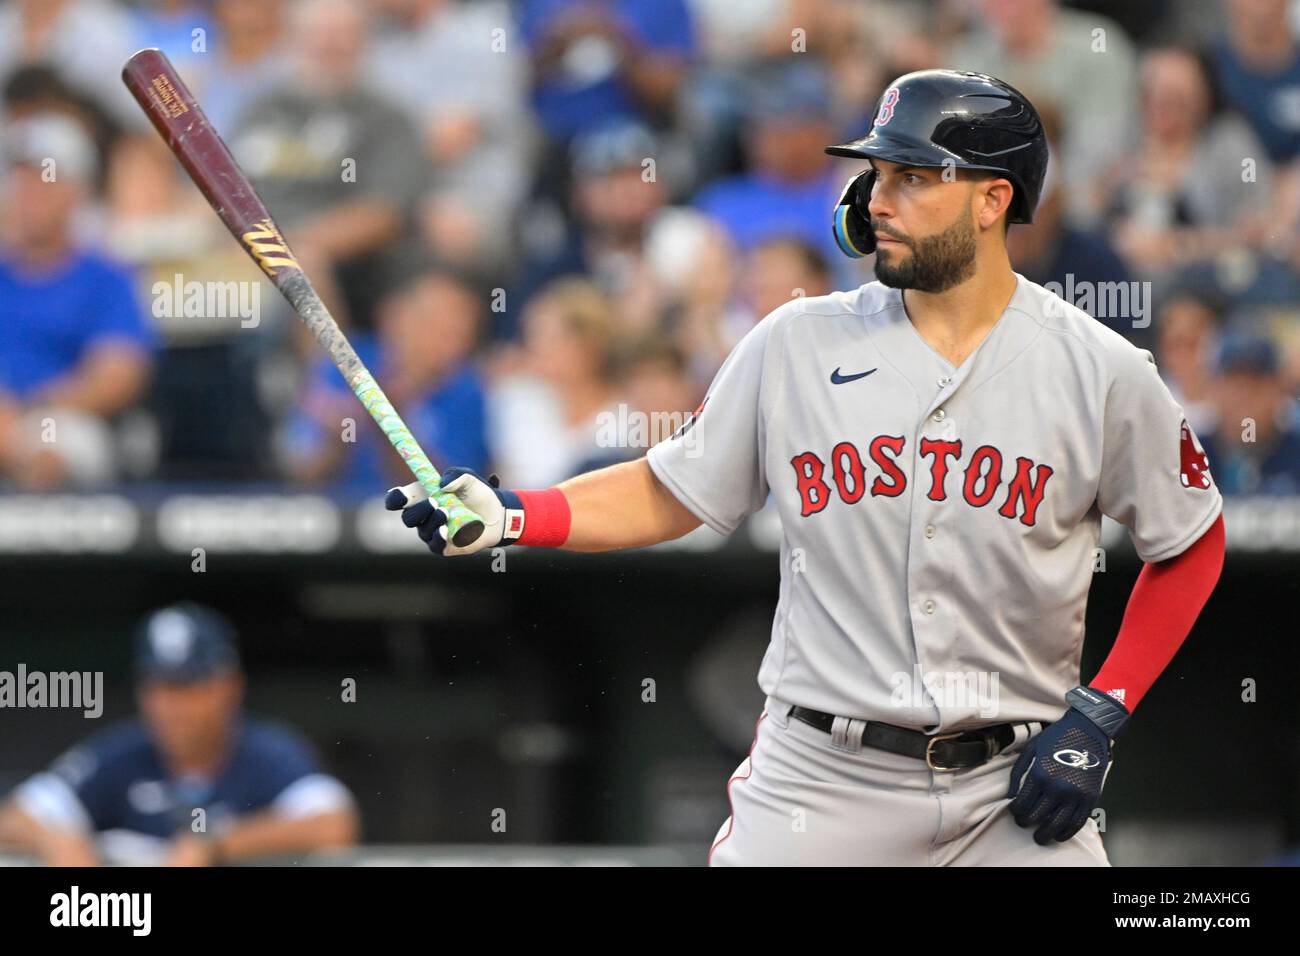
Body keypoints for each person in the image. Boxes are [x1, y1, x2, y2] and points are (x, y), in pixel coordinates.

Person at [385, 71, 1226, 866]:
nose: (876, 200)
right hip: (822, 779)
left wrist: (1103, 710)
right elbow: (671, 488)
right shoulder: (796, 342)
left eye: (911, 177)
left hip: (1014, 787)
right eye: (876, 175)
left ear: (992, 200)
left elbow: (1190, 535)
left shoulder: (1099, 368)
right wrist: (511, 515)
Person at [0, 603, 359, 866]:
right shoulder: (123, 753)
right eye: (157, 687)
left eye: (186, 686)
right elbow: (16, 817)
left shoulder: (266, 751)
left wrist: (212, 843)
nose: (168, 705)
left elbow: (334, 823)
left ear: (228, 686)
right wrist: (58, 839)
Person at [0, 113, 154, 489]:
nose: (30, 195)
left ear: (77, 193)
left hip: (58, 419)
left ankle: (35, 546)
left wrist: (31, 411)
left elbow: (118, 375)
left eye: (45, 182)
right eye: (22, 182)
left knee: (55, 450)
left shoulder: (105, 277)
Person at [1199, 332, 1300, 495]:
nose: (1245, 394)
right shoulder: (1188, 455)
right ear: (1213, 388)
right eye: (1234, 382)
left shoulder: (1296, 453)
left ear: (1280, 388)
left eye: (1256, 382)